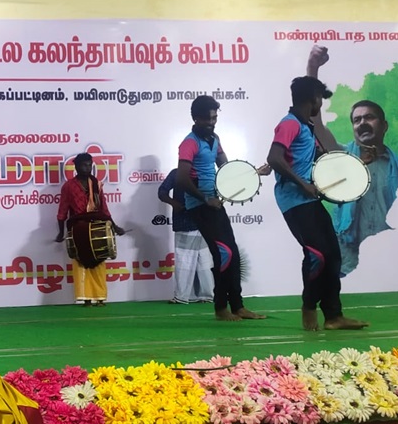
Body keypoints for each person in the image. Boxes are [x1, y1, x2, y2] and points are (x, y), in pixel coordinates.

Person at [266, 55, 369, 331]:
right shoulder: (289, 123)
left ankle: (334, 316)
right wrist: (302, 183)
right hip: (294, 200)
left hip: (308, 199)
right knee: (317, 255)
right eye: (320, 99)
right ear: (313, 99)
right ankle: (309, 308)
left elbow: (298, 159)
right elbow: (274, 157)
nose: (320, 104)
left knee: (333, 254)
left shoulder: (304, 127)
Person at [303, 47, 398, 277]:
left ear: (384, 126)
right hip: (350, 262)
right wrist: (312, 69)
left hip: (393, 259)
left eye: (369, 117)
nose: (362, 123)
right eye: (357, 120)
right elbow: (315, 123)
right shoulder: (343, 157)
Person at [176, 96, 268, 321]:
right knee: (223, 254)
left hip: (215, 203)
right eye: (207, 119)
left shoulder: (215, 139)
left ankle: (238, 306)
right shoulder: (189, 143)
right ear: (195, 118)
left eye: (214, 118)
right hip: (200, 206)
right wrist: (205, 199)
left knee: (231, 253)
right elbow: (182, 179)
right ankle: (220, 308)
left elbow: (227, 171)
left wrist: (255, 173)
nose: (211, 122)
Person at [55, 152, 125, 307]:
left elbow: (104, 209)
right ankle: (85, 297)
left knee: (99, 261)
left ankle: (100, 297)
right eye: (84, 165)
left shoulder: (96, 183)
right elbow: (62, 211)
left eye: (89, 165)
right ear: (76, 167)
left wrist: (114, 226)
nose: (87, 168)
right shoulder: (68, 186)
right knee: (80, 262)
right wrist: (60, 232)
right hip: (78, 227)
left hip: (97, 224)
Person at [157, 169, 214, 304]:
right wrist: (174, 203)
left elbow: (162, 192)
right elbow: (162, 192)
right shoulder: (180, 173)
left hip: (202, 221)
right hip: (189, 221)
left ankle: (185, 296)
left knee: (197, 260)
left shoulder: (202, 172)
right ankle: (204, 295)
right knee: (200, 260)